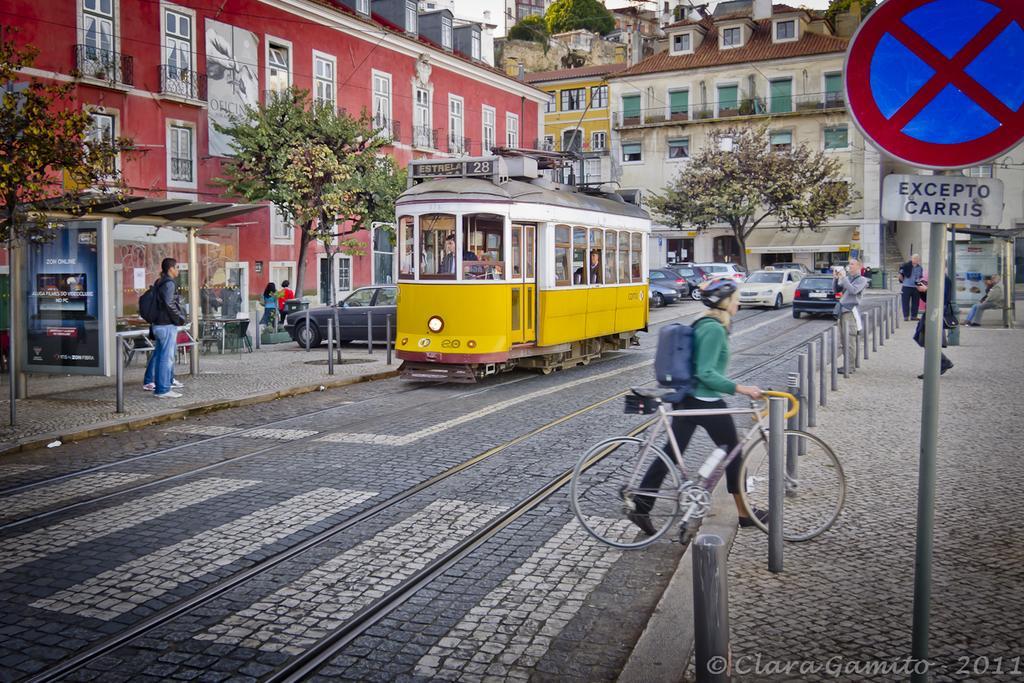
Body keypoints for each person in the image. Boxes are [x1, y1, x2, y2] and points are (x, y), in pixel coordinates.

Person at [628, 280, 765, 536]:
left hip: (690, 399)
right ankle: (745, 513)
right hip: (706, 401)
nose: (739, 302)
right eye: (736, 297)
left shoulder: (707, 324)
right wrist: (741, 388)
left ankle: (641, 505)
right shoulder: (713, 329)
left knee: (671, 453)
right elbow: (706, 373)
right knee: (735, 452)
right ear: (725, 302)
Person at [143, 258, 188, 398]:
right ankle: (163, 389)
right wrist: (180, 318)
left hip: (158, 324)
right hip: (166, 324)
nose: (178, 270)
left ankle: (160, 385)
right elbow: (169, 303)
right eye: (177, 268)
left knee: (160, 356)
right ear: (171, 269)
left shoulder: (159, 282)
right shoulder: (169, 283)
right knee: (166, 358)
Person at [913, 275, 954, 378]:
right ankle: (942, 362)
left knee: (928, 339)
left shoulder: (945, 279)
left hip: (935, 313)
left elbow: (941, 297)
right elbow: (928, 298)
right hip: (931, 311)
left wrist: (927, 289)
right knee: (923, 338)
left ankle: (938, 366)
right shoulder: (936, 277)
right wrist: (922, 291)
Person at [835, 258, 868, 333]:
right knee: (841, 339)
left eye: (852, 264)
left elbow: (853, 291)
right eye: (849, 264)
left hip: (850, 311)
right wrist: (836, 278)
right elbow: (836, 290)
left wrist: (843, 278)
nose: (849, 266)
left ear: (859, 266)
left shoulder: (862, 279)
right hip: (842, 311)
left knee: (850, 339)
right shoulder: (847, 278)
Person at [899, 254, 924, 321]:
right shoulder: (906, 266)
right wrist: (903, 281)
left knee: (916, 303)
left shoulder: (920, 268)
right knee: (905, 302)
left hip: (916, 287)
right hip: (906, 286)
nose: (916, 259)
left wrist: (919, 286)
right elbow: (900, 275)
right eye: (914, 258)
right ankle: (906, 316)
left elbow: (919, 278)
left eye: (917, 258)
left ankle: (914, 316)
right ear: (911, 259)